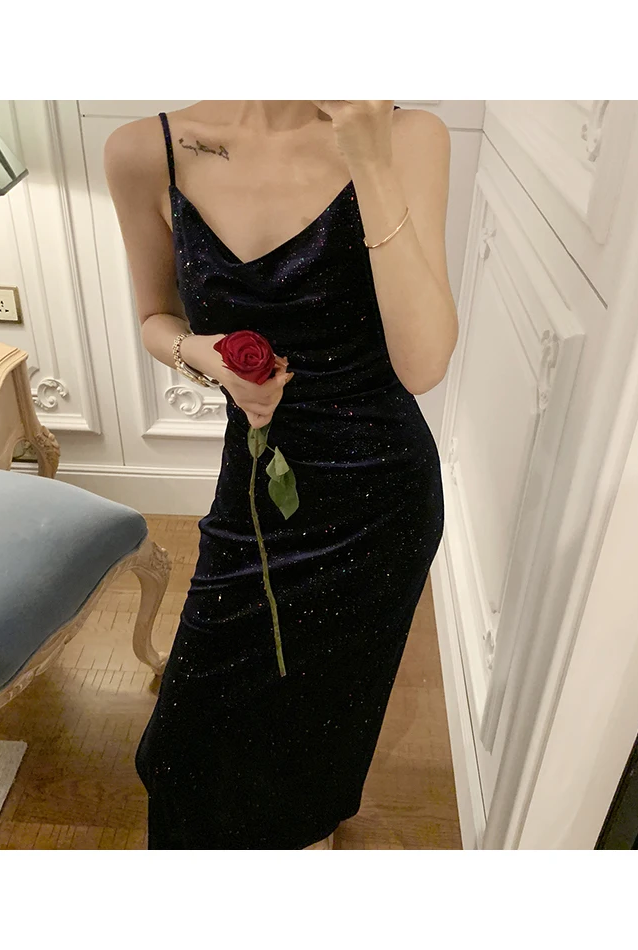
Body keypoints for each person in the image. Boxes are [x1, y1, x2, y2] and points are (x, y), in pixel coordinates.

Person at [104, 100, 458, 849]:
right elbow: (154, 319)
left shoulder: (406, 137)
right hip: (256, 492)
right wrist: (208, 355)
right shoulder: (146, 150)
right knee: (183, 752)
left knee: (321, 723)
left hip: (379, 503)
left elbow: (423, 364)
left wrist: (370, 159)